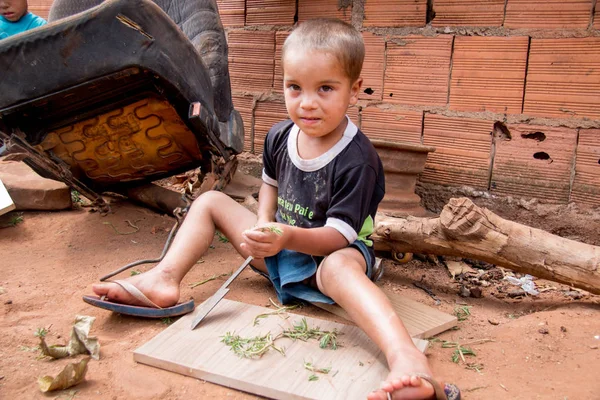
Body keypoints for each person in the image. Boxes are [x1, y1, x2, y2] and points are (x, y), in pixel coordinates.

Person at [89, 18, 460, 400]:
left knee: (339, 267)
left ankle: (405, 356)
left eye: (326, 88)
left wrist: (285, 237)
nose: (307, 102)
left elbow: (337, 237)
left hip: (330, 261)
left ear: (355, 89)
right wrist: (264, 224)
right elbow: (269, 184)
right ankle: (163, 280)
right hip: (279, 255)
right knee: (212, 201)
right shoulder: (280, 136)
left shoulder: (357, 159)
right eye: (294, 87)